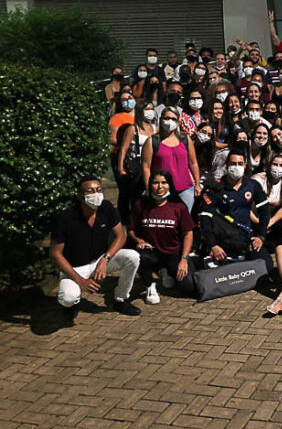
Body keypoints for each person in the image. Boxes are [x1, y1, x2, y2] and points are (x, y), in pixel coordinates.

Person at [51, 177, 142, 324]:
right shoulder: (66, 217)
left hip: (100, 260)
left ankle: (120, 299)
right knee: (68, 298)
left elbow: (121, 237)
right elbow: (55, 254)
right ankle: (72, 304)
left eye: (99, 190)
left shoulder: (106, 208)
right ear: (80, 196)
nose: (96, 194)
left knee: (132, 256)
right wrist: (81, 281)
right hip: (75, 268)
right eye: (90, 191)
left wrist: (105, 259)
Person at [199, 151, 273, 275]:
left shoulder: (253, 185)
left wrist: (261, 237)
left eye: (240, 163)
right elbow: (205, 219)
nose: (236, 167)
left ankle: (239, 261)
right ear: (226, 165)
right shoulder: (214, 188)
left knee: (267, 267)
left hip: (245, 239)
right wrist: (213, 246)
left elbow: (265, 212)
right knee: (214, 273)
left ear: (245, 165)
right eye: (233, 163)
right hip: (221, 242)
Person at [129, 170, 195, 304]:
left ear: (170, 185)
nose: (160, 186)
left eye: (164, 183)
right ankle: (150, 285)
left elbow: (188, 233)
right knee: (137, 257)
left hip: (173, 253)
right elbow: (130, 229)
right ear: (150, 185)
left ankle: (167, 271)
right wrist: (138, 240)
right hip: (151, 253)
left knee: (189, 287)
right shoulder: (140, 204)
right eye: (155, 183)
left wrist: (184, 259)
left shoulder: (178, 206)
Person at [141, 107, 201, 213]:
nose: (170, 121)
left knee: (185, 220)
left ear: (178, 122)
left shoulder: (185, 139)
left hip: (185, 188)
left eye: (173, 119)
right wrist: (148, 187)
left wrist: (197, 184)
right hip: (161, 189)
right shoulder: (153, 141)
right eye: (167, 118)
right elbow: (146, 167)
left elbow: (193, 163)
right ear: (160, 119)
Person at [116, 100, 156, 222]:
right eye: (147, 109)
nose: (150, 112)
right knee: (135, 196)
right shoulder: (133, 129)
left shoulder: (155, 128)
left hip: (152, 165)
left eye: (152, 109)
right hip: (136, 167)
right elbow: (123, 149)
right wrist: (120, 167)